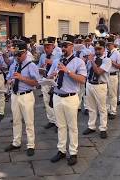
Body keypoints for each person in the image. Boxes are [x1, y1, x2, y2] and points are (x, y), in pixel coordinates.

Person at [47, 34, 87, 166]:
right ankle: (61, 150)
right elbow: (49, 76)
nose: (63, 48)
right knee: (60, 126)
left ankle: (73, 152)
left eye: (65, 46)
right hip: (57, 96)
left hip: (70, 97)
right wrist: (52, 76)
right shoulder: (57, 60)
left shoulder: (78, 62)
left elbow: (82, 80)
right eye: (61, 45)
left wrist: (67, 71)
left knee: (72, 127)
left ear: (72, 46)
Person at [4, 40, 40, 157]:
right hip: (15, 95)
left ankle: (30, 145)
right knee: (16, 120)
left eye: (19, 54)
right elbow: (9, 77)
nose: (16, 57)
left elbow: (36, 83)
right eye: (15, 54)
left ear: (25, 52)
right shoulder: (14, 64)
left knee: (29, 122)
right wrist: (9, 80)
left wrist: (22, 78)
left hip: (26, 96)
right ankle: (16, 142)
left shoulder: (31, 65)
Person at [83, 40, 111, 138]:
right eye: (96, 49)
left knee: (102, 108)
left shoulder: (107, 60)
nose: (97, 51)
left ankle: (103, 128)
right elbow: (86, 70)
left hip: (100, 85)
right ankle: (91, 126)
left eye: (99, 49)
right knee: (91, 107)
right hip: (90, 84)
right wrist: (85, 60)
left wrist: (91, 61)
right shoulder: (92, 58)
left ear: (104, 49)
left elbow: (98, 71)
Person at [38, 37, 61, 130]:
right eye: (45, 47)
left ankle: (58, 123)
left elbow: (61, 66)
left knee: (55, 102)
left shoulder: (59, 55)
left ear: (53, 46)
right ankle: (51, 120)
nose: (46, 49)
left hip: (55, 80)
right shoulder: (43, 56)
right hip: (45, 79)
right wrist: (40, 69)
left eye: (48, 47)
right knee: (46, 101)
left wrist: (51, 62)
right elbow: (38, 66)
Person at [106, 37, 120, 120]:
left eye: (109, 44)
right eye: (107, 45)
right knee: (105, 94)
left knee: (112, 94)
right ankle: (107, 110)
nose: (107, 46)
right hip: (105, 75)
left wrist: (111, 62)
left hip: (113, 75)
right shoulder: (105, 53)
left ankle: (113, 111)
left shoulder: (117, 53)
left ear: (113, 44)